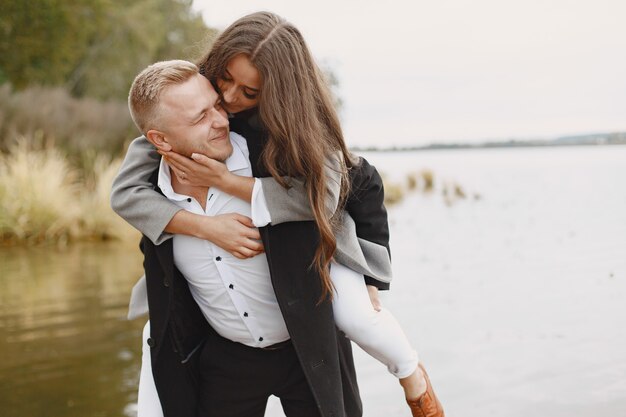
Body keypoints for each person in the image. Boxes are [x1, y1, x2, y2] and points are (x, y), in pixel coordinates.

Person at [113, 12, 443, 417]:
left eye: (246, 92)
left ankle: (413, 378)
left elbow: (359, 188)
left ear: (274, 94)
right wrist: (207, 228)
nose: (228, 104)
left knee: (358, 315)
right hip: (229, 355)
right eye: (222, 86)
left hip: (310, 315)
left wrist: (372, 276)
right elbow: (126, 190)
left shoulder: (291, 137)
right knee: (155, 339)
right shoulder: (174, 122)